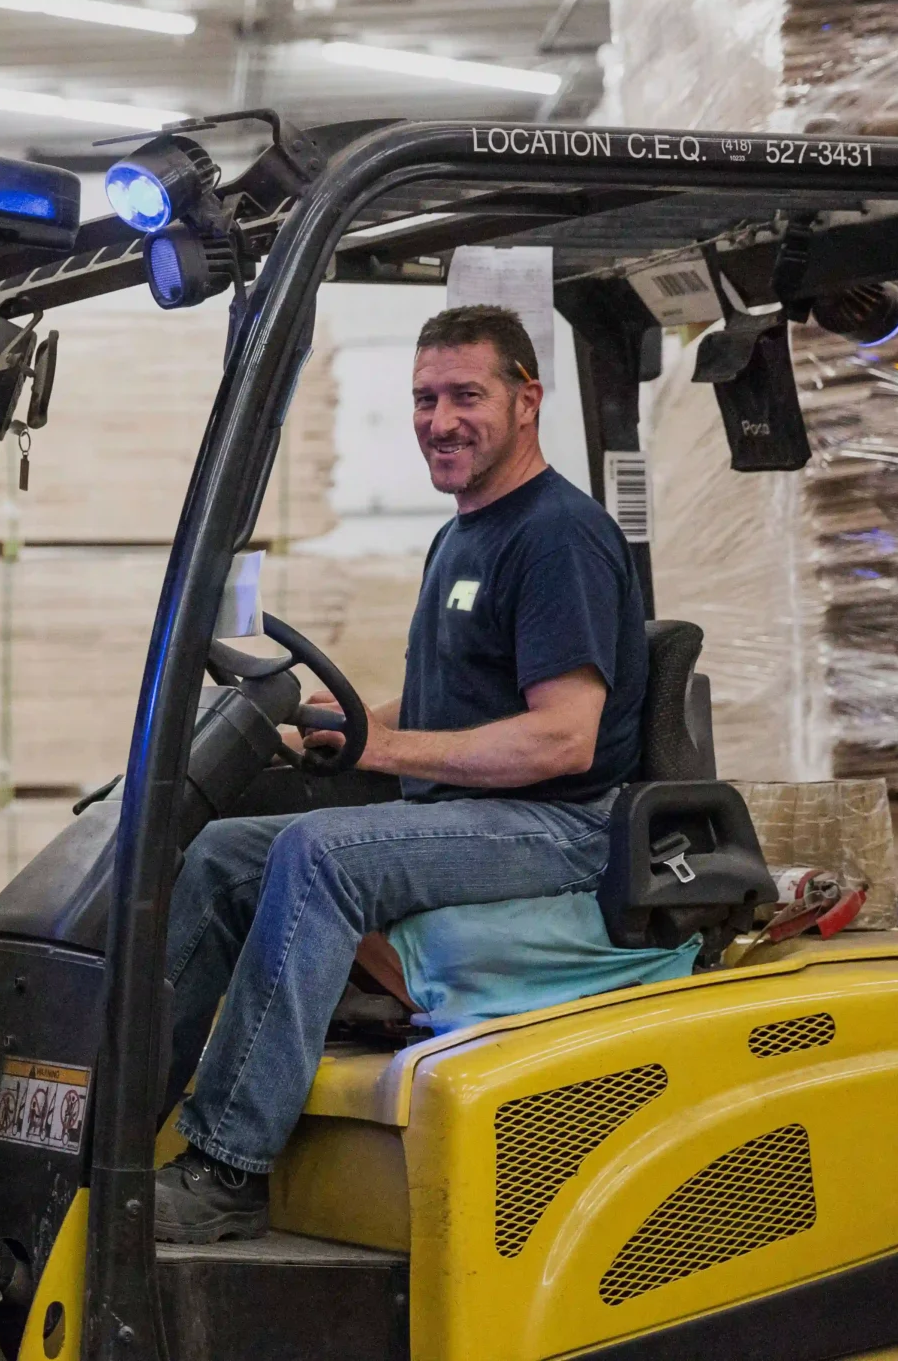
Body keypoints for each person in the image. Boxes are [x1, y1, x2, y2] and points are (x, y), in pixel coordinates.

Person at [153, 304, 649, 1244]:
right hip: (467, 816)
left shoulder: (558, 538)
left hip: (558, 828)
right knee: (220, 850)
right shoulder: (460, 534)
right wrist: (338, 725)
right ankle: (113, 1114)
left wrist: (383, 751)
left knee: (321, 854)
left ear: (527, 400)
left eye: (467, 395)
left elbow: (562, 741)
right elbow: (436, 705)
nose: (440, 419)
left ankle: (228, 1164)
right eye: (425, 398)